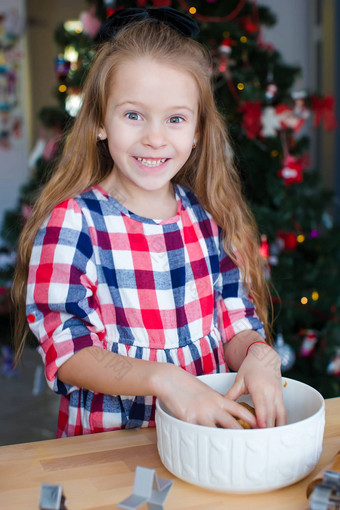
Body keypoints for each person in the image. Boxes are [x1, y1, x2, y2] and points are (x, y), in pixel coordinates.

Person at [13, 7, 286, 437]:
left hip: (202, 444)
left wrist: (257, 354)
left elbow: (235, 318)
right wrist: (165, 379)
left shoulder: (208, 218)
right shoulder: (73, 223)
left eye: (175, 119)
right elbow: (67, 349)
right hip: (108, 452)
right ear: (101, 121)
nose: (155, 137)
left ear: (196, 131)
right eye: (134, 115)